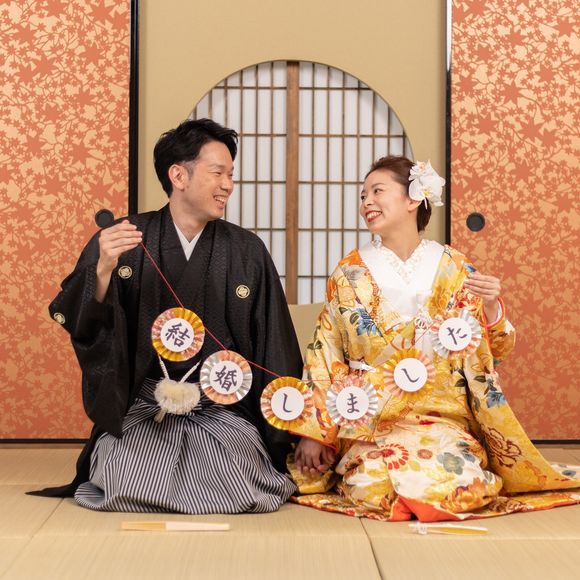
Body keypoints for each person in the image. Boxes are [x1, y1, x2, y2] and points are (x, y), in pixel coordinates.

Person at [288, 155, 580, 521]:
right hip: (370, 420)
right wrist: (315, 432)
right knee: (373, 488)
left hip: (441, 418)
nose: (366, 203)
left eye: (377, 191)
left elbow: (494, 351)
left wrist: (491, 308)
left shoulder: (454, 267)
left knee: (460, 484)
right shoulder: (348, 273)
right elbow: (325, 351)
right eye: (363, 196)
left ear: (414, 198)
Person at [32, 119, 302, 514]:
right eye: (218, 173)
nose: (228, 185)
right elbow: (81, 321)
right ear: (178, 175)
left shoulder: (247, 250)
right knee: (123, 479)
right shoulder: (124, 238)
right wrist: (103, 269)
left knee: (239, 482)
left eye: (231, 175)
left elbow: (274, 343)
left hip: (222, 411)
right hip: (147, 408)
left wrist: (288, 434)